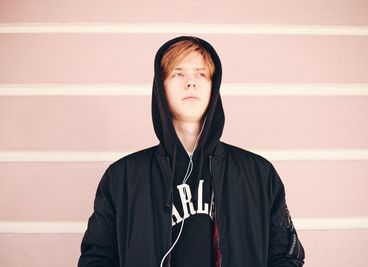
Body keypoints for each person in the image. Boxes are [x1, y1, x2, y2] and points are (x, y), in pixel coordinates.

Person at [78, 36, 305, 267]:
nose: (191, 83)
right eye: (178, 74)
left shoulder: (258, 173)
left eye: (201, 74)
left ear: (213, 86)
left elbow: (286, 256)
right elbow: (96, 257)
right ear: (161, 86)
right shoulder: (123, 177)